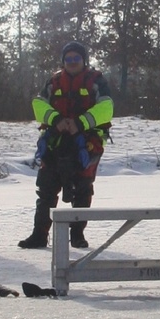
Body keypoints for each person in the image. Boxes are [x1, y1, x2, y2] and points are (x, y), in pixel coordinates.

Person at [19, 40, 114, 250]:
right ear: (63, 62)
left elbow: (107, 107)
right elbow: (38, 104)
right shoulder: (53, 82)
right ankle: (39, 235)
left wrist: (79, 123)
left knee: (83, 190)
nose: (72, 62)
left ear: (84, 61)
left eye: (76, 59)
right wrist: (57, 120)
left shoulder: (97, 81)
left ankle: (77, 235)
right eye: (68, 59)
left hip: (86, 145)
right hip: (56, 143)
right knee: (46, 190)